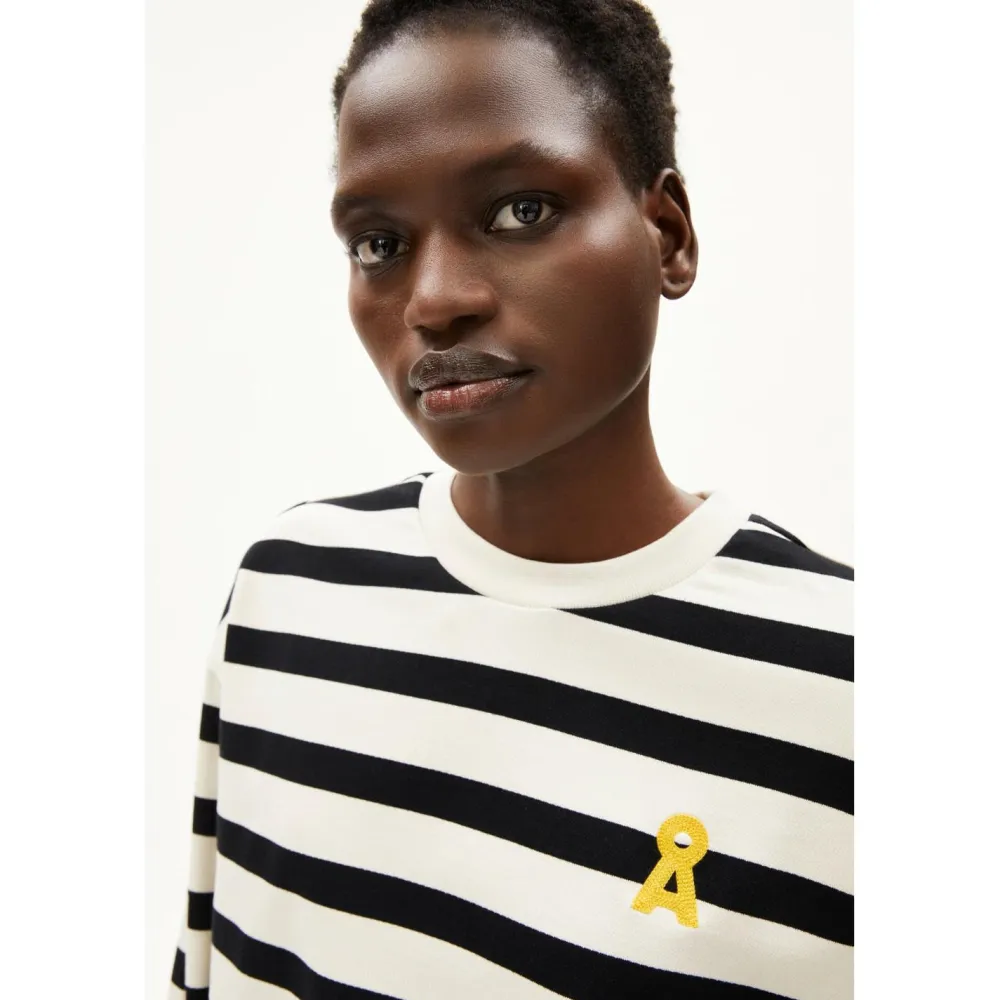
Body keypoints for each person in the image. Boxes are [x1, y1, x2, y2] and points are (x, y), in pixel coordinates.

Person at [168, 1, 853, 997]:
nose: (434, 300)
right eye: (378, 243)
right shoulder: (289, 587)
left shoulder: (848, 689)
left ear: (666, 234)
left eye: (519, 211)